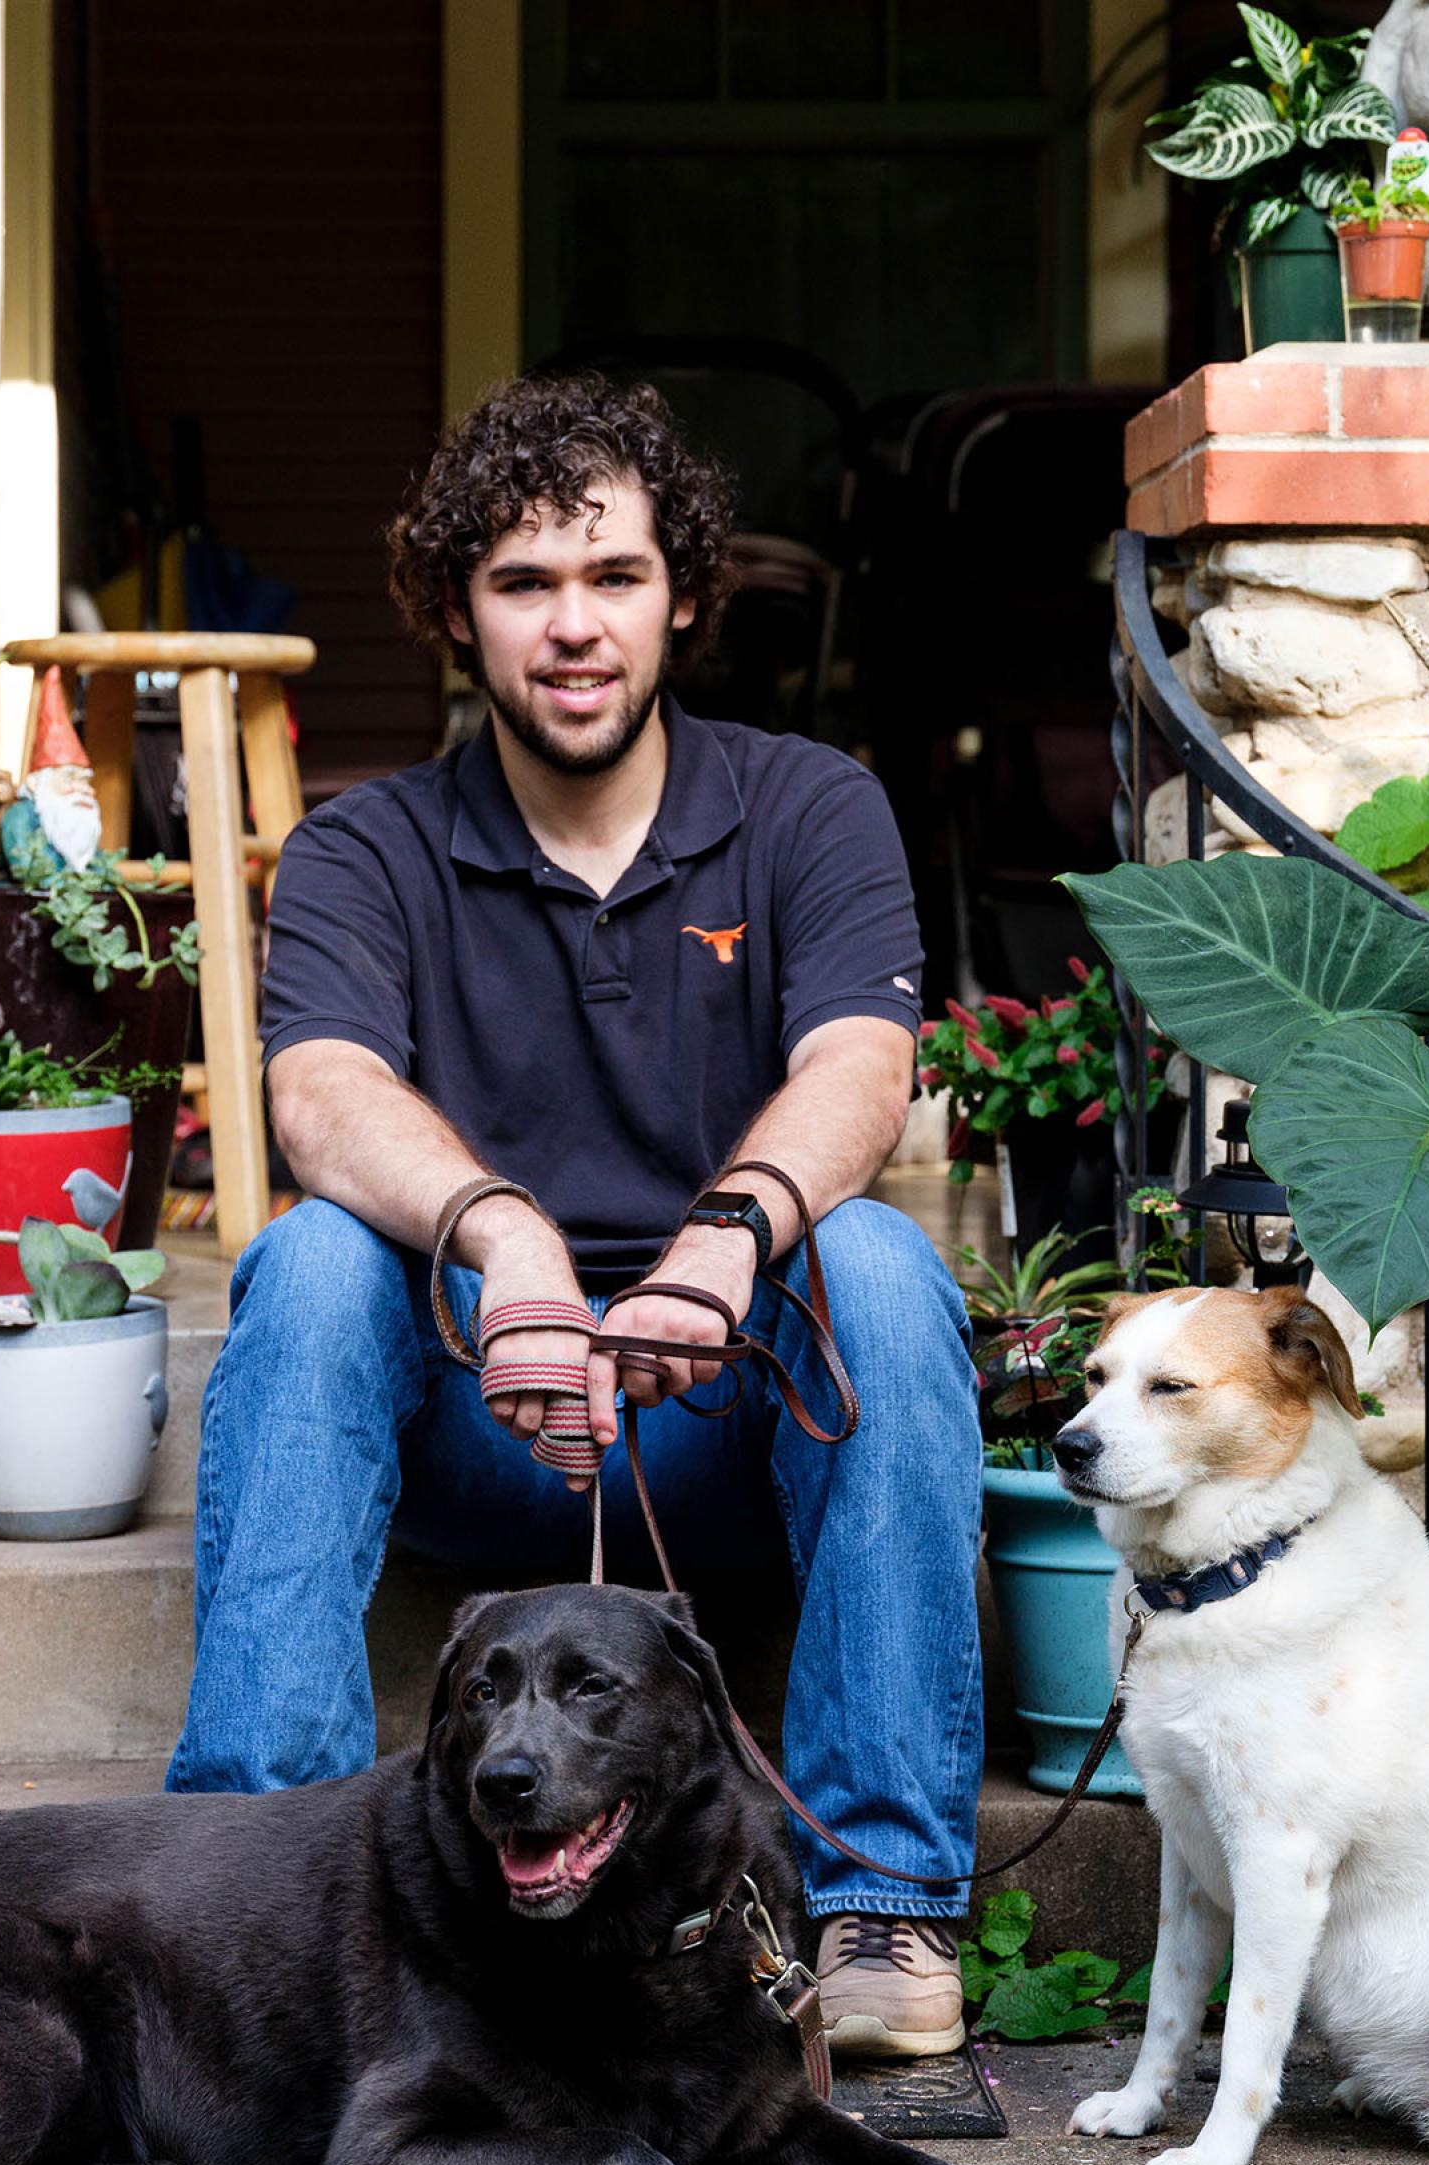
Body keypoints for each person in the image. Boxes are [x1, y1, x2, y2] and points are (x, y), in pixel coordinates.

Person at [166, 372, 984, 2058]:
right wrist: (507, 1240)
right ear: (457, 615)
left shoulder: (808, 807)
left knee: (887, 1266)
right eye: (523, 583)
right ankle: (245, 1884)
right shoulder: (361, 848)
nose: (575, 626)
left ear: (682, 594)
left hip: (728, 1419)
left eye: (612, 577)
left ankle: (885, 1907)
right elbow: (317, 1094)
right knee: (312, 1263)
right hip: (479, 1415)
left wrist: (727, 1240)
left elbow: (861, 1063)